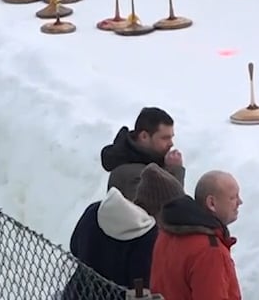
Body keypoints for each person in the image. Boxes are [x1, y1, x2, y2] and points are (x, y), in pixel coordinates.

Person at [63, 163, 185, 298]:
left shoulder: (95, 210)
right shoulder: (148, 238)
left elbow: (74, 247)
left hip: (76, 293)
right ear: (160, 210)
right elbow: (141, 290)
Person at [150, 170, 244, 299]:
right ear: (212, 203)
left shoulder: (168, 232)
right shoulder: (210, 251)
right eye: (233, 197)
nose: (240, 202)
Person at [100, 107, 188, 186]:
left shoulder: (155, 160)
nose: (171, 144)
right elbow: (168, 202)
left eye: (171, 137)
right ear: (144, 136)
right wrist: (174, 171)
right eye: (165, 138)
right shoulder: (128, 173)